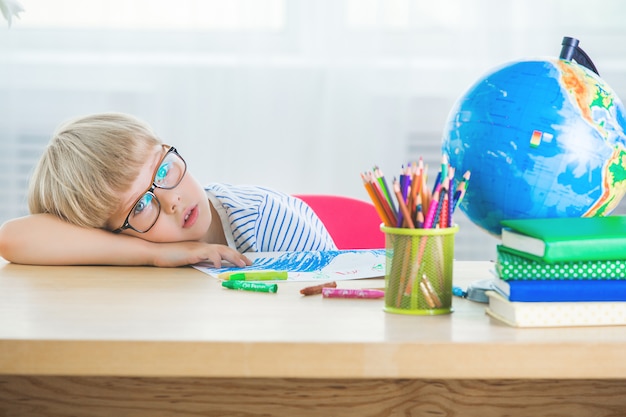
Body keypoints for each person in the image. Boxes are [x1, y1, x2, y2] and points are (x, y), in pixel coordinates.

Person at [0, 112, 337, 266]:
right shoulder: (135, 247)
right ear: (113, 234)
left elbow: (327, 320)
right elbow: (14, 238)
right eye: (141, 206)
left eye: (163, 168)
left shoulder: (267, 221)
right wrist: (154, 255)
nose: (171, 199)